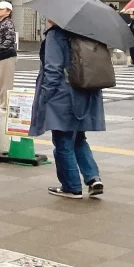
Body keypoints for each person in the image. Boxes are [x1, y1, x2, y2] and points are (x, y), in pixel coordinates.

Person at [30, 20, 105, 199]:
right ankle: (93, 178)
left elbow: (53, 70)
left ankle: (71, 187)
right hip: (85, 93)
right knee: (78, 138)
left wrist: (44, 97)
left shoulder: (56, 35)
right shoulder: (87, 32)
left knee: (63, 141)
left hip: (62, 96)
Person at [0, 1, 17, 107]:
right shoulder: (2, 22)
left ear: (8, 11)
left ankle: (5, 105)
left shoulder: (8, 23)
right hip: (0, 56)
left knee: (5, 83)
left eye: (0, 9)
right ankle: (3, 103)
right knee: (0, 82)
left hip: (6, 56)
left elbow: (10, 40)